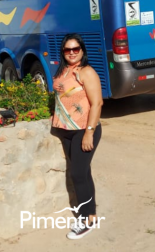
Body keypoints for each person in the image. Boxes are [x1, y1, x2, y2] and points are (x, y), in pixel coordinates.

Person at [51, 33, 103, 240]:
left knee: (78, 175)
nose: (72, 53)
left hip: (84, 130)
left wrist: (89, 133)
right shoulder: (64, 70)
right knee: (83, 173)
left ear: (82, 50)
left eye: (76, 49)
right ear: (63, 52)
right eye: (67, 50)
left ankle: (85, 220)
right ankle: (91, 215)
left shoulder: (86, 72)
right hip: (66, 131)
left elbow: (97, 103)